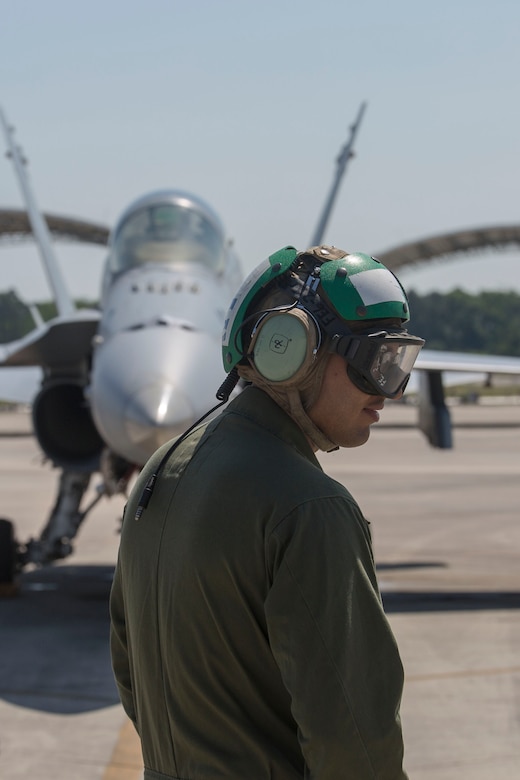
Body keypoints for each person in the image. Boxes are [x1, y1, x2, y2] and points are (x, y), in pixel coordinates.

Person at [110, 244, 424, 779]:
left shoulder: (165, 466)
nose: (389, 392)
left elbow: (128, 660)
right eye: (373, 364)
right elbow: (352, 735)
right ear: (293, 353)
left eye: (397, 363)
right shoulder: (309, 506)